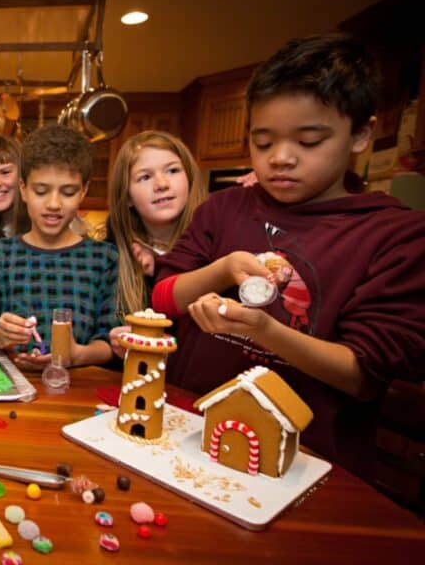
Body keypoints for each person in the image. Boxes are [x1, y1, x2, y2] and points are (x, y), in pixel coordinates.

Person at [151, 34, 425, 479]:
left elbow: (362, 374)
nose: (281, 158)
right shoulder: (224, 209)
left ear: (361, 133)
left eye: (309, 141)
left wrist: (265, 330)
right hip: (186, 436)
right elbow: (164, 298)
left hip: (307, 465)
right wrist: (219, 270)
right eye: (263, 142)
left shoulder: (396, 235)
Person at [0, 124, 118, 371]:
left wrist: (77, 354)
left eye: (68, 192)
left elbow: (109, 342)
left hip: (77, 391)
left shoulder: (104, 258)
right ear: (23, 189)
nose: (54, 204)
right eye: (41, 191)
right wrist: (1, 336)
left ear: (83, 191)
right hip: (9, 386)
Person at [105, 131, 207, 356]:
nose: (161, 184)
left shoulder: (214, 244)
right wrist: (114, 342)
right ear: (128, 196)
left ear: (189, 178)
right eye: (145, 177)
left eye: (172, 170)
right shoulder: (115, 256)